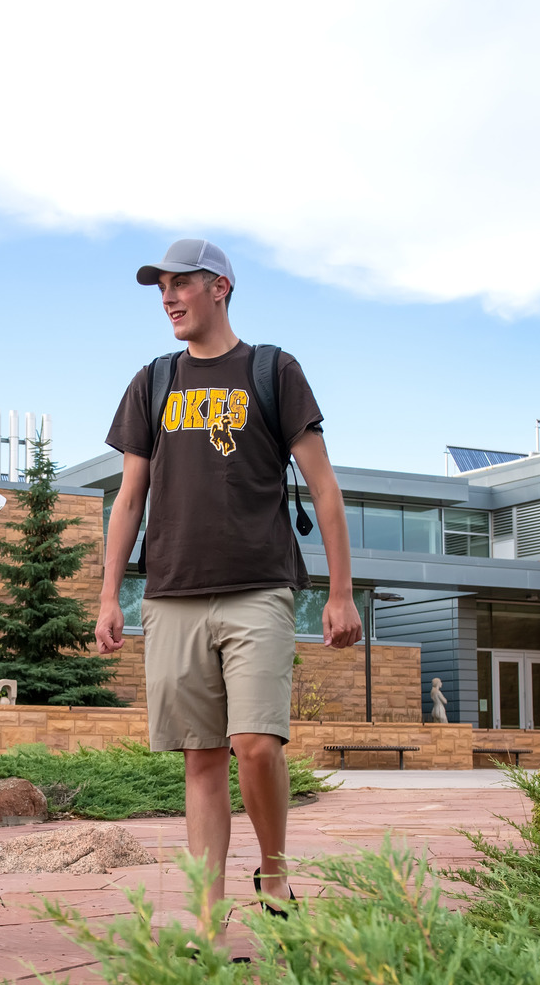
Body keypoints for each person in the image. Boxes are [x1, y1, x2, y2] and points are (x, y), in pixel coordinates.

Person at [95, 239, 363, 933]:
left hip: (259, 586)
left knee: (256, 742)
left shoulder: (273, 369)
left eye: (180, 284)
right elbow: (129, 499)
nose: (168, 298)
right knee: (202, 757)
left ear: (220, 287)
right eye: (160, 288)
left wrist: (341, 591)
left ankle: (273, 867)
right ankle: (207, 919)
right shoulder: (154, 380)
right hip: (172, 592)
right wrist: (106, 597)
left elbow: (326, 486)